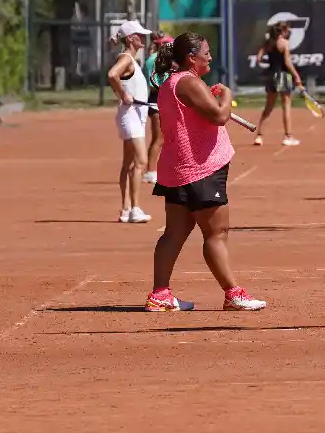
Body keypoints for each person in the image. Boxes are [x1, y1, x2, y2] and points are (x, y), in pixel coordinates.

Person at [147, 32, 266, 312]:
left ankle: (160, 294)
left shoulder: (176, 83)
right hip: (200, 170)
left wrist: (209, 96)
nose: (210, 57)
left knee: (174, 233)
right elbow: (219, 115)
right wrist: (226, 95)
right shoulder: (187, 82)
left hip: (179, 168)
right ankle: (233, 293)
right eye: (206, 53)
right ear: (191, 58)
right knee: (216, 233)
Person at [106, 19, 154, 223]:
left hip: (135, 114)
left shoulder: (130, 60)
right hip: (130, 115)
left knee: (128, 163)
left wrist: (123, 93)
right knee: (141, 161)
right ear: (132, 39)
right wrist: (124, 94)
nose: (143, 38)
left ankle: (125, 209)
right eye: (140, 35)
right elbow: (112, 75)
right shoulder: (126, 58)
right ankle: (135, 209)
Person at [253, 12, 303, 147]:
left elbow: (258, 57)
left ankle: (259, 136)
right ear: (284, 31)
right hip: (284, 77)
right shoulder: (284, 43)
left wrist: (263, 60)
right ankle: (288, 136)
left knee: (268, 107)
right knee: (286, 106)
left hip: (271, 76)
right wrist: (296, 76)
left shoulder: (269, 43)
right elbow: (287, 62)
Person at [141, 32, 173, 186]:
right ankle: (150, 172)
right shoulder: (154, 60)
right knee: (158, 138)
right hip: (157, 100)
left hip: (165, 100)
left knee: (167, 138)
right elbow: (155, 83)